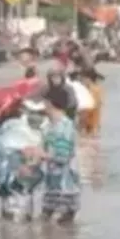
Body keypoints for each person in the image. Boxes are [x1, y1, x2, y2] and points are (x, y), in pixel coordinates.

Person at [35, 85, 81, 223]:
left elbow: (63, 156)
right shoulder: (48, 125)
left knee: (62, 228)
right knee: (45, 225)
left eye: (44, 102)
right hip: (51, 185)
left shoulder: (65, 127)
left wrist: (42, 155)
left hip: (65, 187)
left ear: (50, 103)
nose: (43, 106)